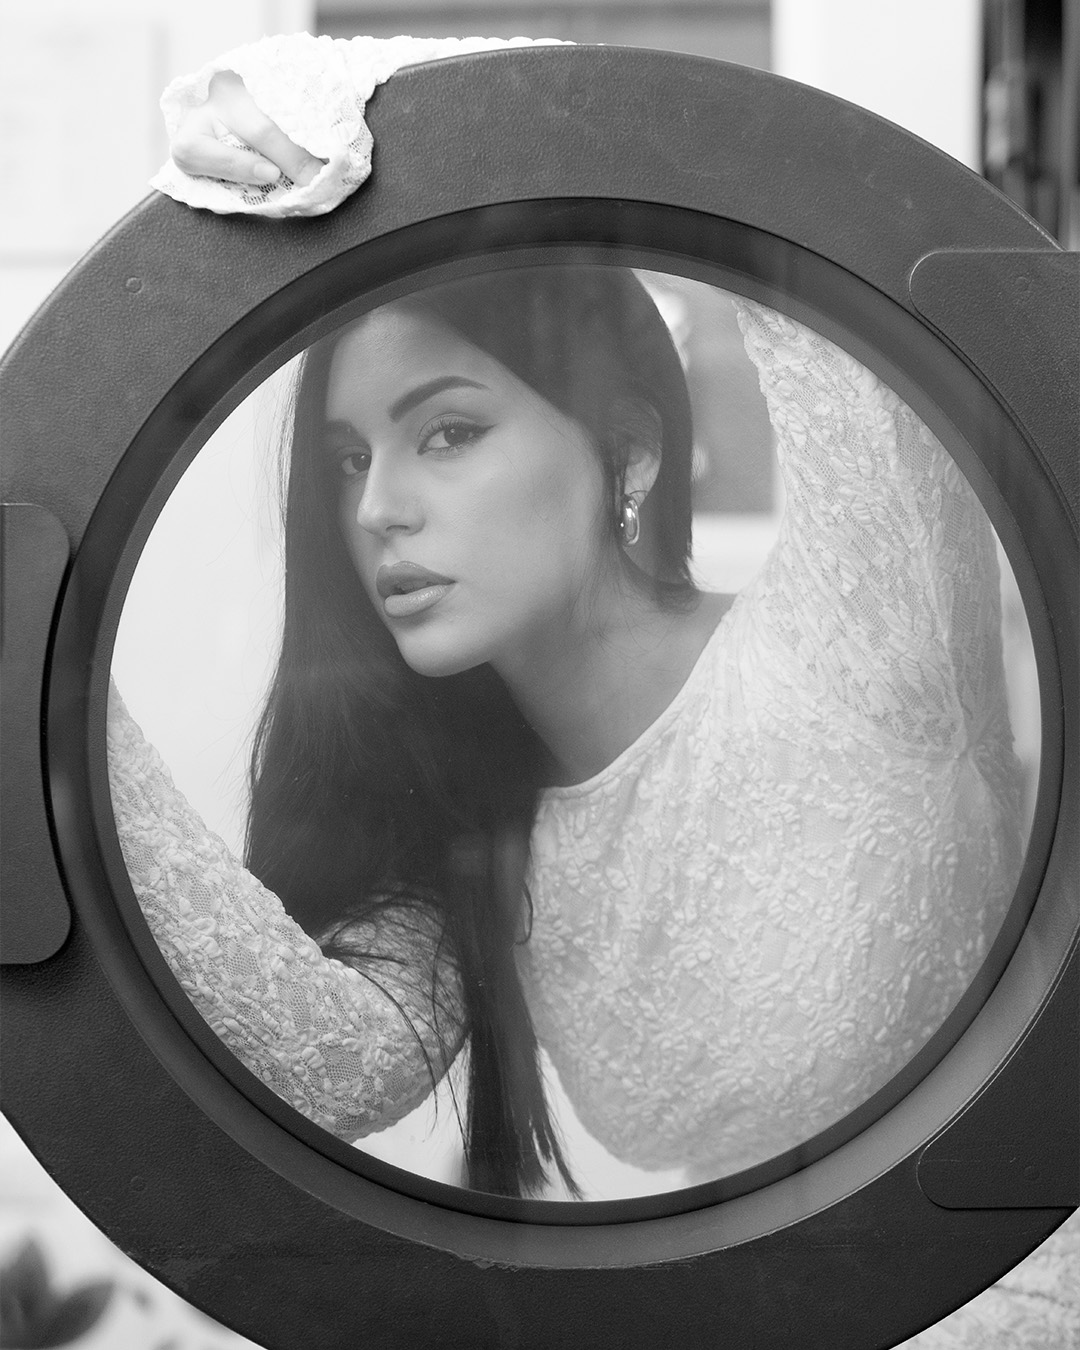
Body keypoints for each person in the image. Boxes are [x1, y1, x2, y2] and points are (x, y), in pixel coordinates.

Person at [109, 35, 1025, 1203]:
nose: (378, 509)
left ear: (628, 452)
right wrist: (38, 674)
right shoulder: (476, 821)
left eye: (448, 432)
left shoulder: (852, 645)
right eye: (347, 460)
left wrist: (359, 103)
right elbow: (330, 1066)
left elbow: (806, 192)